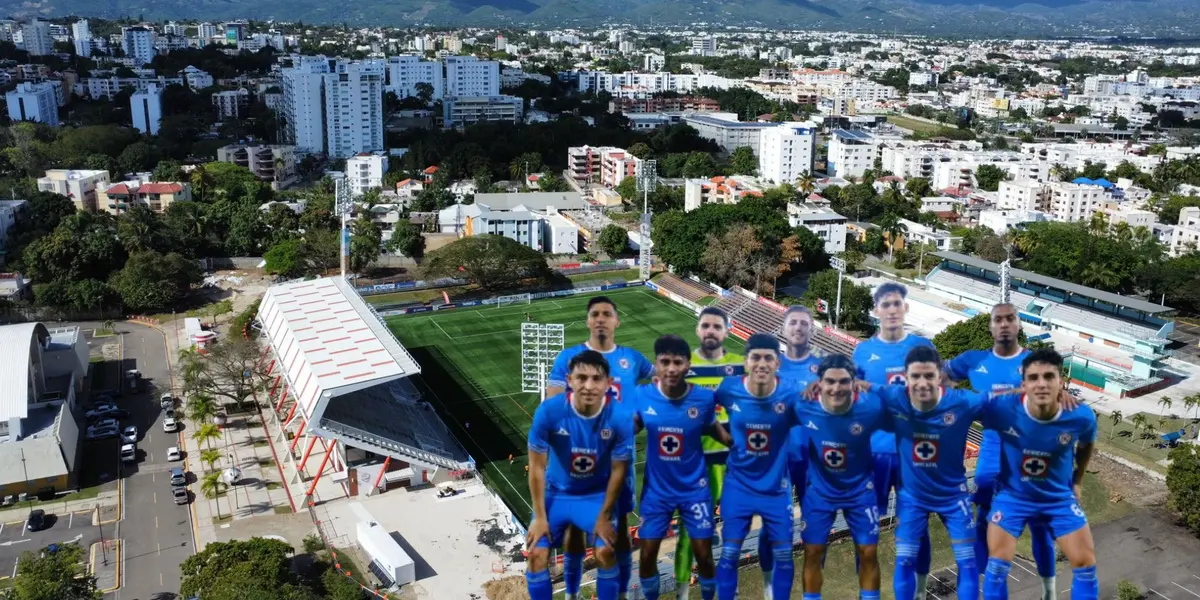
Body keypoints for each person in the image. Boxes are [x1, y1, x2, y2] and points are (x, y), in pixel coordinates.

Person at [946, 303, 1059, 599]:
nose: (1005, 325)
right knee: (983, 505)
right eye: (998, 320)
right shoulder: (974, 360)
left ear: (1019, 325)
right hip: (992, 444)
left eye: (1011, 319)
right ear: (991, 326)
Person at [546, 296, 653, 600]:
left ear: (617, 321)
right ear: (588, 321)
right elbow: (553, 400)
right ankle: (573, 592)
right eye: (595, 314)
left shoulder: (632, 359)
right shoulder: (568, 357)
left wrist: (639, 419)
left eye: (608, 314)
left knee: (618, 530)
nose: (602, 319)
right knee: (574, 530)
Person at [982, 349, 1099, 600]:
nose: (1042, 383)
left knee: (1085, 564)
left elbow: (1086, 445)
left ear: (1061, 382)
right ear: (1023, 384)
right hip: (1012, 496)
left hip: (1058, 497)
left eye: (1049, 376)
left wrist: (1078, 481)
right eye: (1034, 378)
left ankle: (1050, 593)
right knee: (996, 566)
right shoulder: (1002, 407)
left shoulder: (1080, 416)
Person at [870, 345, 982, 600]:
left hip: (952, 497)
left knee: (968, 561)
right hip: (913, 498)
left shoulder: (964, 402)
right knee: (905, 560)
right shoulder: (894, 399)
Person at [524, 350, 635, 600]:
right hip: (556, 494)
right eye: (581, 377)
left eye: (596, 378)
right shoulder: (549, 412)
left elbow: (619, 470)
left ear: (608, 383)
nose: (588, 385)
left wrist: (605, 516)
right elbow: (537, 466)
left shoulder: (619, 418)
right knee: (536, 555)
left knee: (606, 552)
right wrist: (539, 517)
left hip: (595, 496)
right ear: (569, 380)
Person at [852, 282, 936, 596]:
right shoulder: (862, 352)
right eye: (884, 304)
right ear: (876, 310)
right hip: (873, 455)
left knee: (916, 528)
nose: (891, 310)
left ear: (905, 308)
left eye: (896, 304)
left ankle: (919, 591)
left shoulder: (923, 347)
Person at [714, 333, 803, 600]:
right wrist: (725, 438)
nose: (762, 363)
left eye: (768, 358)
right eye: (756, 357)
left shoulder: (791, 393)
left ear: (777, 363)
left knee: (784, 555)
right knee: (730, 553)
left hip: (776, 488)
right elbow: (704, 411)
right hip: (739, 486)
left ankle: (771, 591)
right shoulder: (729, 388)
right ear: (746, 361)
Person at [633, 335, 720, 600]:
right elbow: (628, 428)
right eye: (665, 362)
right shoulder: (642, 395)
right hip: (657, 492)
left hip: (695, 489)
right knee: (646, 555)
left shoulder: (704, 398)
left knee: (704, 555)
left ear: (687, 365)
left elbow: (714, 428)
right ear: (656, 364)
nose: (671, 368)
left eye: (677, 362)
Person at [796, 354, 889, 600]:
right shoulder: (803, 405)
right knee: (812, 553)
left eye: (843, 381)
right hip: (820, 493)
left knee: (868, 552)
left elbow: (904, 406)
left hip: (860, 492)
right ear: (819, 383)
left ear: (853, 383)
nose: (836, 388)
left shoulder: (871, 407)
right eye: (830, 381)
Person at [754, 305, 823, 599]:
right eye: (792, 323)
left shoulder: (824, 369)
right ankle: (771, 591)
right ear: (783, 328)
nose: (798, 328)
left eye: (804, 323)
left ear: (811, 329)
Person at [677, 306, 744, 596]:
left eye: (717, 326)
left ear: (726, 331)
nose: (711, 331)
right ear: (698, 329)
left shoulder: (741, 365)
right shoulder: (682, 367)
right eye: (706, 325)